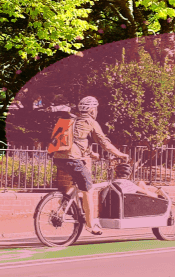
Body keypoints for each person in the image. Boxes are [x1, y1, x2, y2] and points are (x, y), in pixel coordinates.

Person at [51, 96, 130, 235]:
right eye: (96, 108)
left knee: (76, 183)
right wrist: (120, 154)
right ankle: (90, 224)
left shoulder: (72, 119)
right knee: (88, 188)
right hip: (72, 159)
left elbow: (74, 140)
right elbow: (104, 142)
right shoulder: (91, 122)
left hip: (58, 158)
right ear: (92, 109)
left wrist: (90, 153)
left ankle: (63, 206)